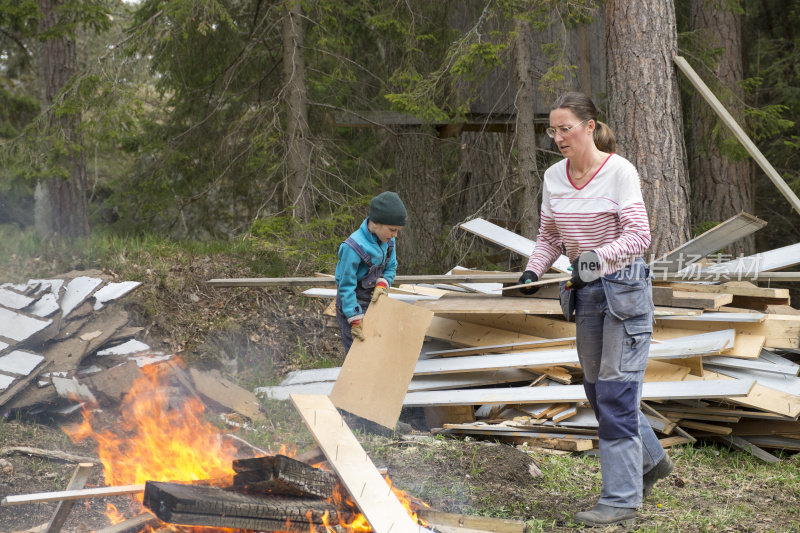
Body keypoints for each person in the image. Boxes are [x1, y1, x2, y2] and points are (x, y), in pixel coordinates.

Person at [517, 92, 673, 527]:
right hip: (584, 294)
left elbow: (638, 236)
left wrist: (591, 261)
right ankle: (651, 461)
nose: (558, 137)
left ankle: (621, 499)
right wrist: (533, 270)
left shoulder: (619, 172)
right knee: (596, 392)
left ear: (589, 126)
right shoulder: (553, 177)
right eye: (552, 129)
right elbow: (550, 236)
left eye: (565, 128)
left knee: (616, 395)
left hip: (623, 294)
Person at [334, 191, 407, 352]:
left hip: (374, 302)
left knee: (376, 350)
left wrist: (383, 284)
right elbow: (346, 286)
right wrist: (354, 318)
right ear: (375, 223)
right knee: (358, 353)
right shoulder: (352, 247)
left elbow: (391, 266)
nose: (395, 235)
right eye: (392, 229)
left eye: (397, 231)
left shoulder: (388, 241)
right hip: (351, 304)